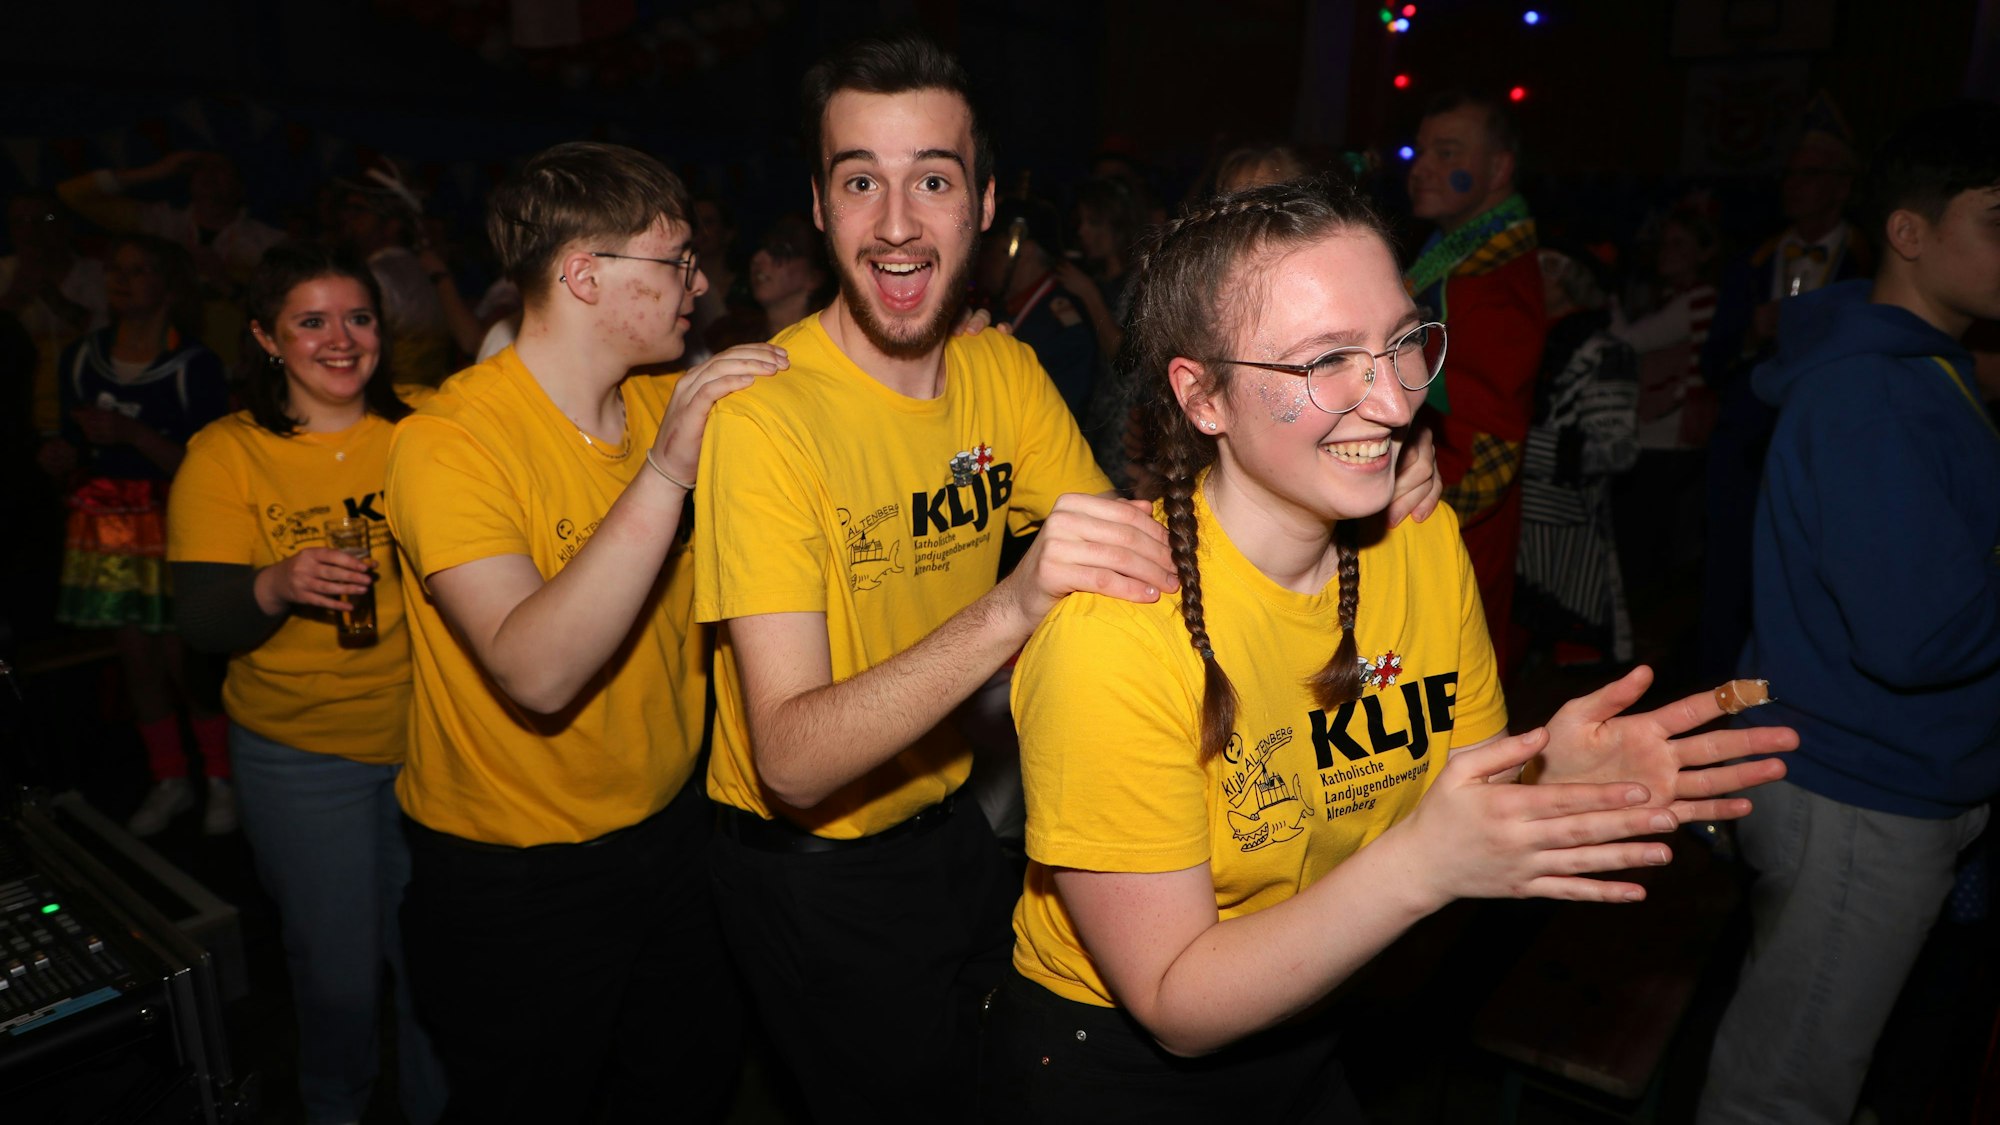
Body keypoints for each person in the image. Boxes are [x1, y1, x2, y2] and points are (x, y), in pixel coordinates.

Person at [693, 36, 1441, 1120]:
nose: (896, 222)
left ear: (985, 205)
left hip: (949, 813)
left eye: (932, 181)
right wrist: (1012, 603)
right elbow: (792, 761)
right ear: (818, 207)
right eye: (860, 180)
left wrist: (1359, 453)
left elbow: (1147, 538)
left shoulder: (1000, 366)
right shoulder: (764, 424)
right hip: (815, 866)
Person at [981, 178, 1796, 1123]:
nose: (1393, 399)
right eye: (1327, 360)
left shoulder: (1419, 539)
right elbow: (1177, 1001)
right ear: (1201, 396)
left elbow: (1457, 809)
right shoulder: (1113, 635)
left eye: (1403, 344)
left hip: (1320, 1019)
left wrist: (1554, 778)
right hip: (1119, 1073)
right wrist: (1418, 866)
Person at [384, 141, 776, 1123]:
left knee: (686, 1087)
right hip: (517, 879)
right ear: (584, 275)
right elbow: (538, 670)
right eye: (674, 261)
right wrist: (668, 471)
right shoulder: (449, 440)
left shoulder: (656, 399)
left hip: (673, 838)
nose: (700, 283)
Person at [1696, 101, 2000, 1125]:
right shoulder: (1872, 398)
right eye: (1994, 220)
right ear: (1909, 235)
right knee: (1779, 1096)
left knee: (1811, 1049)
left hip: (1864, 772)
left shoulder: (1919, 375)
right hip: (1855, 793)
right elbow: (1913, 636)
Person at [166, 244, 445, 1125]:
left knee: (437, 957)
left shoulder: (428, 426)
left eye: (357, 317)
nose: (339, 339)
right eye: (310, 321)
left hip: (435, 744)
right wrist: (275, 584)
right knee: (337, 970)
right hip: (300, 756)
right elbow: (202, 620)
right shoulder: (227, 454)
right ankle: (336, 1107)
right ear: (266, 337)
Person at [38, 234, 232, 836]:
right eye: (115, 271)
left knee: (184, 659)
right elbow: (76, 450)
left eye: (139, 271)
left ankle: (222, 780)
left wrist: (133, 436)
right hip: (106, 525)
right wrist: (60, 455)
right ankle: (169, 778)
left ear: (170, 287)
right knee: (136, 658)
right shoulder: (79, 356)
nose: (122, 281)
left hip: (173, 522)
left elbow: (207, 467)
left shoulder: (194, 366)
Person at [1698, 103, 1871, 679]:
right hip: (1749, 445)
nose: (1796, 187)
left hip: (1835, 450)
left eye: (1812, 174)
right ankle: (1726, 701)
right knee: (1731, 575)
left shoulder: (1869, 267)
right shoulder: (1753, 260)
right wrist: (1753, 331)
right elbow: (1713, 357)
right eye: (1792, 174)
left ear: (1843, 187)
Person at [1404, 89, 1547, 680]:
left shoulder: (1490, 276)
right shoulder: (1453, 253)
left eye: (1448, 152)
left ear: (1499, 170)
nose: (1422, 168)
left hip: (1453, 515)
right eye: (1421, 151)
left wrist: (1412, 518)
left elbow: (1489, 442)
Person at [1515, 246, 1639, 667]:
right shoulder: (1517, 339)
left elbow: (1618, 449)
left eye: (1549, 268)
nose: (1535, 277)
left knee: (1569, 677)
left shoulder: (1604, 351)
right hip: (1509, 526)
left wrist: (1524, 449)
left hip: (1569, 545)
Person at [58, 152, 284, 367]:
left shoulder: (268, 242)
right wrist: (156, 170)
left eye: (220, 170)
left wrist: (225, 282)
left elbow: (284, 316)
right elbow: (72, 194)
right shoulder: (160, 224)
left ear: (240, 186)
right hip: (161, 361)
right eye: (200, 169)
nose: (209, 175)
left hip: (234, 365)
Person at [975, 196, 1099, 421]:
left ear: (1023, 251)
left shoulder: (1063, 329)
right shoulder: (1005, 310)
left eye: (991, 248)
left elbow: (1058, 415)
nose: (983, 259)